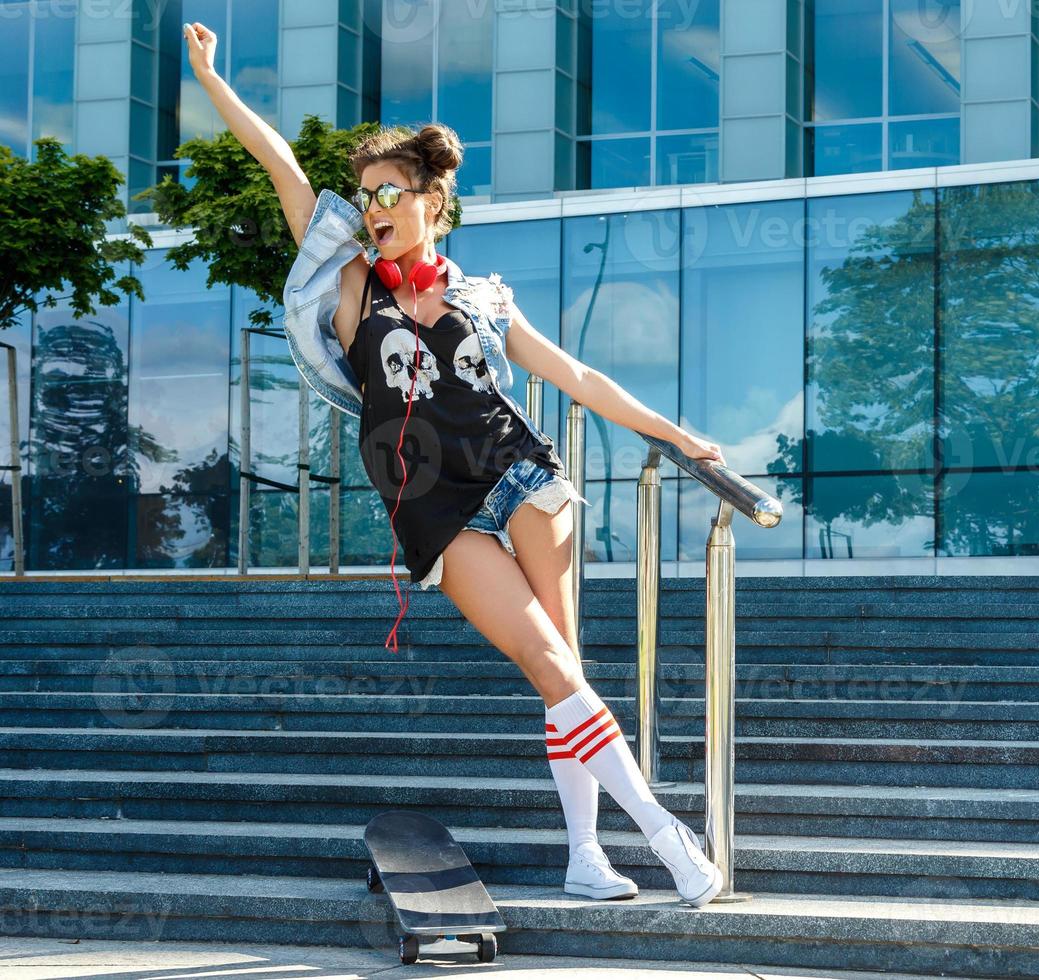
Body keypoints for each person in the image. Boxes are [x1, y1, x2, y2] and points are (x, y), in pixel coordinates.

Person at [182, 21, 728, 908]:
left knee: (566, 669)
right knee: (549, 664)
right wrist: (212, 81)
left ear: (432, 199)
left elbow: (576, 376)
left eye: (389, 191)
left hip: (523, 477)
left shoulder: (480, 295)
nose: (373, 208)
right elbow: (282, 167)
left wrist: (673, 434)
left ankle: (586, 857)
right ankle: (665, 834)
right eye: (365, 195)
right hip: (438, 508)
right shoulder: (351, 287)